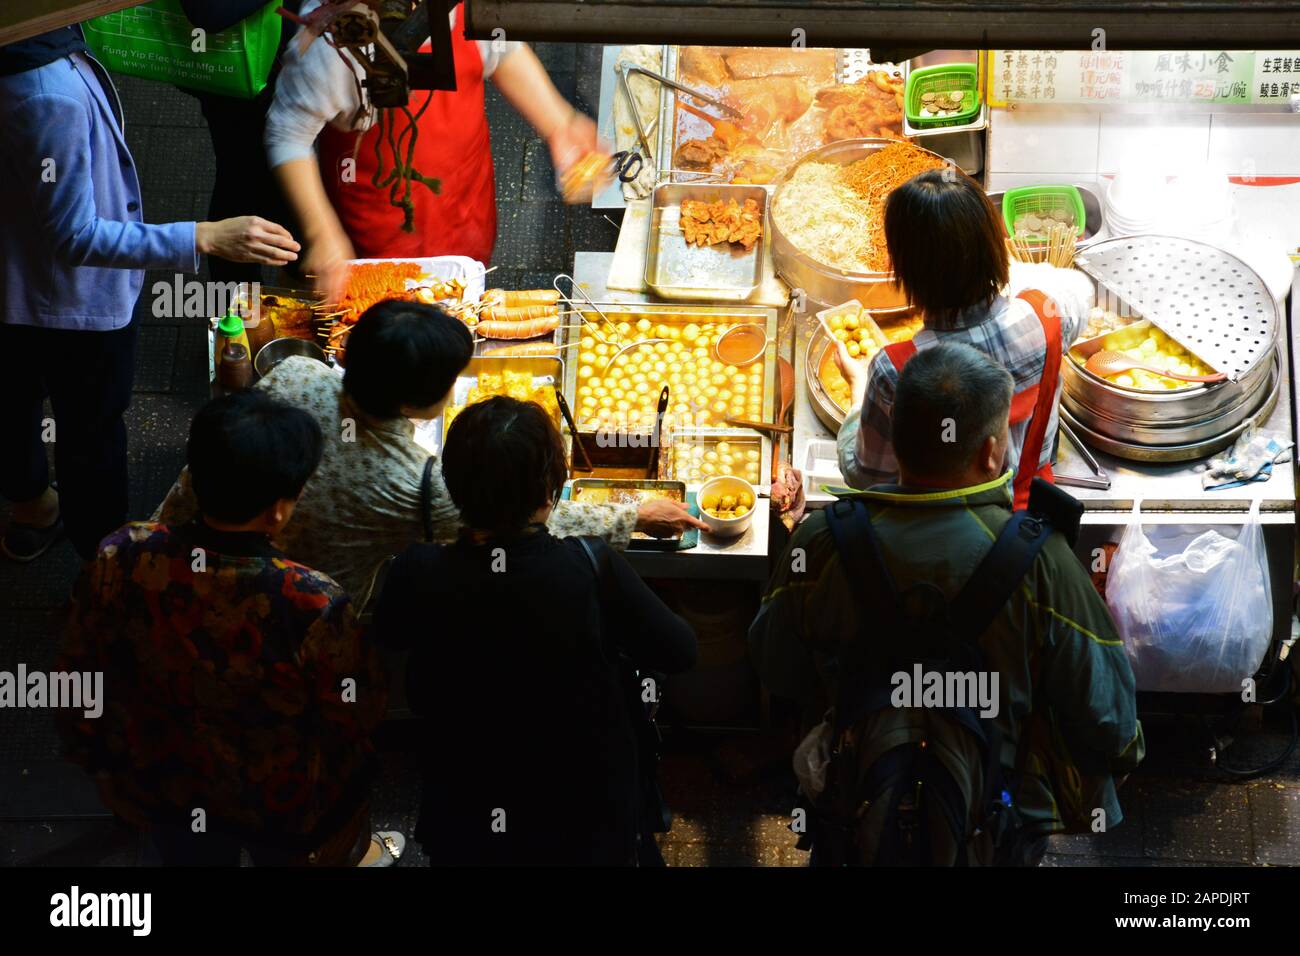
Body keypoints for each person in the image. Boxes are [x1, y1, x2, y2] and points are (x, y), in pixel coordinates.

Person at [751, 343, 1143, 865]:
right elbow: (1110, 723)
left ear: (896, 438)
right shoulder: (1042, 562)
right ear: (989, 452)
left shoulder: (822, 543)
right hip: (992, 821)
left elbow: (775, 666)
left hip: (856, 811)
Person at [155, 300, 705, 605]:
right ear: (417, 401)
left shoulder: (297, 372)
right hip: (294, 602)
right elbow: (523, 517)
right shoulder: (415, 492)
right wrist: (632, 514)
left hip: (186, 554)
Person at [58, 391, 400, 866]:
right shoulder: (309, 599)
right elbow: (354, 708)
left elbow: (80, 663)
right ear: (278, 510)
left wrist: (100, 763)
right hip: (277, 798)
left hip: (165, 779)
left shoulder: (124, 551)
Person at [0, 26, 300, 563]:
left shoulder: (33, 59)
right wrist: (203, 235)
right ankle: (106, 568)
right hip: (69, 306)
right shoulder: (47, 94)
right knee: (90, 436)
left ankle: (31, 510)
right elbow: (74, 235)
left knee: (13, 400)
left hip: (17, 280)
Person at [374, 396, 697, 865]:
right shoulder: (589, 567)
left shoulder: (415, 571)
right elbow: (680, 651)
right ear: (552, 490)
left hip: (468, 794)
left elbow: (391, 637)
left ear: (453, 486)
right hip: (581, 800)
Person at [265, 0, 602, 300]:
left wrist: (558, 121)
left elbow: (504, 51)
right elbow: (288, 134)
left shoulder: (468, 10)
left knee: (460, 308)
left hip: (463, 208)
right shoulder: (331, 46)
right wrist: (322, 233)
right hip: (376, 233)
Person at [834, 169, 1093, 511]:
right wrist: (1023, 277)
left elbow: (866, 475)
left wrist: (857, 390)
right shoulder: (1049, 315)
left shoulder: (895, 370)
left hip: (937, 530)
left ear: (898, 267)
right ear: (997, 246)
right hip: (1028, 519)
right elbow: (1083, 289)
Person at [178, 0, 306, 285]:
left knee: (248, 180)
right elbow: (209, 11)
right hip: (247, 79)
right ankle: (240, 311)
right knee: (246, 181)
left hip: (272, 68)